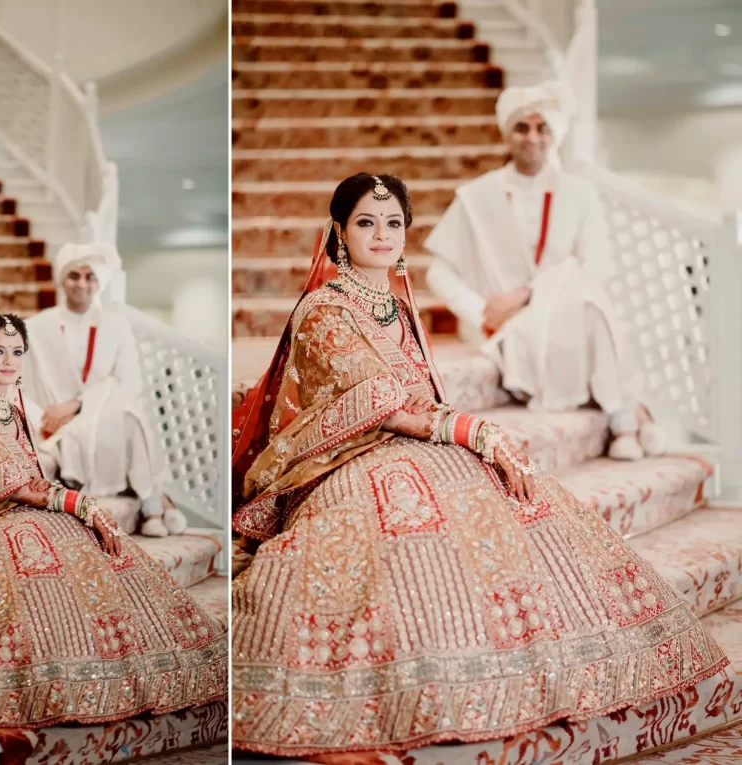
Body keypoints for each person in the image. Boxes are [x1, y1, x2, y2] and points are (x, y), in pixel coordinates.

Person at [230, 174, 726, 758]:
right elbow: (379, 402)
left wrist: (471, 436)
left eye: (393, 223)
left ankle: (549, 663)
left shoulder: (395, 303)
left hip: (421, 442)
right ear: (339, 232)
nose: (382, 234)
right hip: (349, 456)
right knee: (410, 527)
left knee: (519, 497)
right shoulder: (322, 310)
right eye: (366, 222)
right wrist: (471, 429)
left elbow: (420, 398)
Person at [0, 312, 227, 729]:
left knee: (94, 548)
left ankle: (126, 666)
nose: (9, 361)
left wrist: (76, 509)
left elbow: (30, 481)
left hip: (22, 512)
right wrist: (82, 504)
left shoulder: (8, 408)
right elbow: (14, 482)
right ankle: (54, 680)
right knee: (40, 559)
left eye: (17, 352)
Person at [425, 80, 661, 460]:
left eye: (542, 127)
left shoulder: (579, 192)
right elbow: (438, 272)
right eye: (522, 127)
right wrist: (483, 312)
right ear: (507, 134)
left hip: (567, 308)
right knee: (592, 311)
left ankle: (626, 418)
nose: (532, 137)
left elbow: (595, 265)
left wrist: (530, 293)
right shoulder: (478, 196)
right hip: (509, 325)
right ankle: (630, 417)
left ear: (554, 135)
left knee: (590, 305)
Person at [22, 243, 188, 538]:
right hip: (55, 424)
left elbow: (126, 383)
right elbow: (22, 385)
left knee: (130, 414)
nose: (82, 284)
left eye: (90, 277)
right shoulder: (36, 327)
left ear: (99, 282)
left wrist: (77, 406)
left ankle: (153, 506)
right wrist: (54, 416)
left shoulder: (116, 326)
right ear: (62, 279)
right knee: (127, 420)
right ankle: (155, 504)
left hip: (101, 414)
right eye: (74, 275)